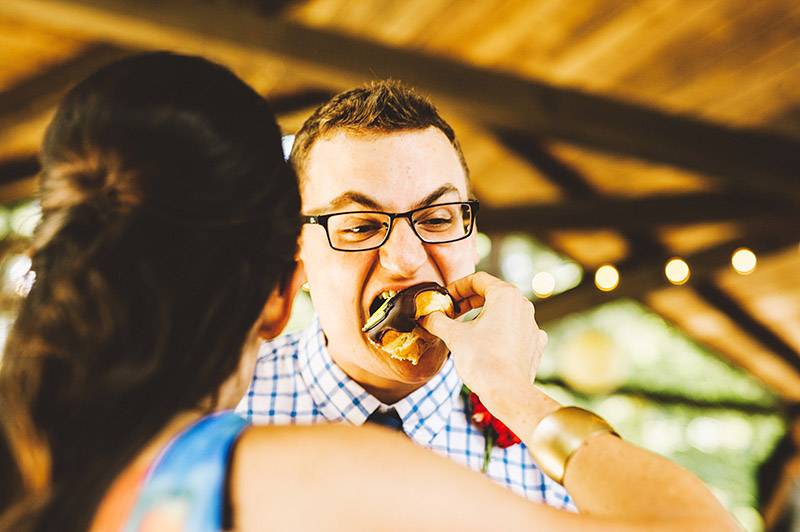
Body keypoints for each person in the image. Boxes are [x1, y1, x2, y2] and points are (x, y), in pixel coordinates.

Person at [0, 52, 740, 532]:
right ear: (290, 268)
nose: (409, 259)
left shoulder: (549, 467)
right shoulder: (268, 447)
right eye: (359, 225)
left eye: (441, 217)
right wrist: (522, 394)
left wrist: (506, 397)